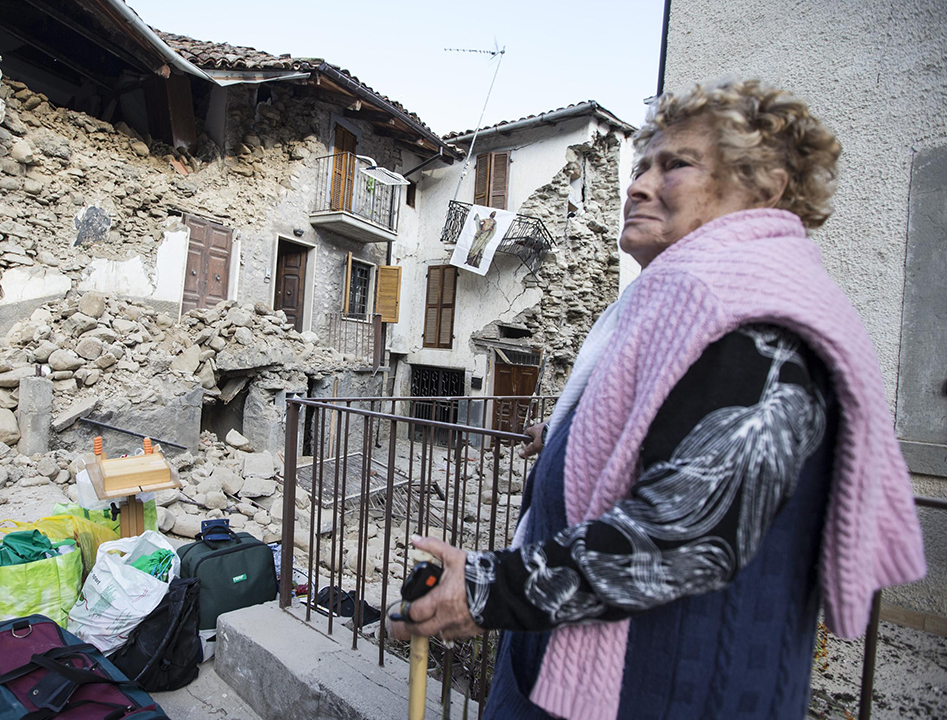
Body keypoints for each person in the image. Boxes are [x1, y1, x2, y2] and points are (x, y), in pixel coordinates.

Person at [390, 79, 926, 720]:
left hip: (664, 687)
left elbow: (687, 533)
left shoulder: (754, 322)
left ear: (765, 187)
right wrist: (563, 441)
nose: (638, 186)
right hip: (580, 669)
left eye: (676, 165)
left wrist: (484, 591)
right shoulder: (688, 301)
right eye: (641, 166)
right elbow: (667, 426)